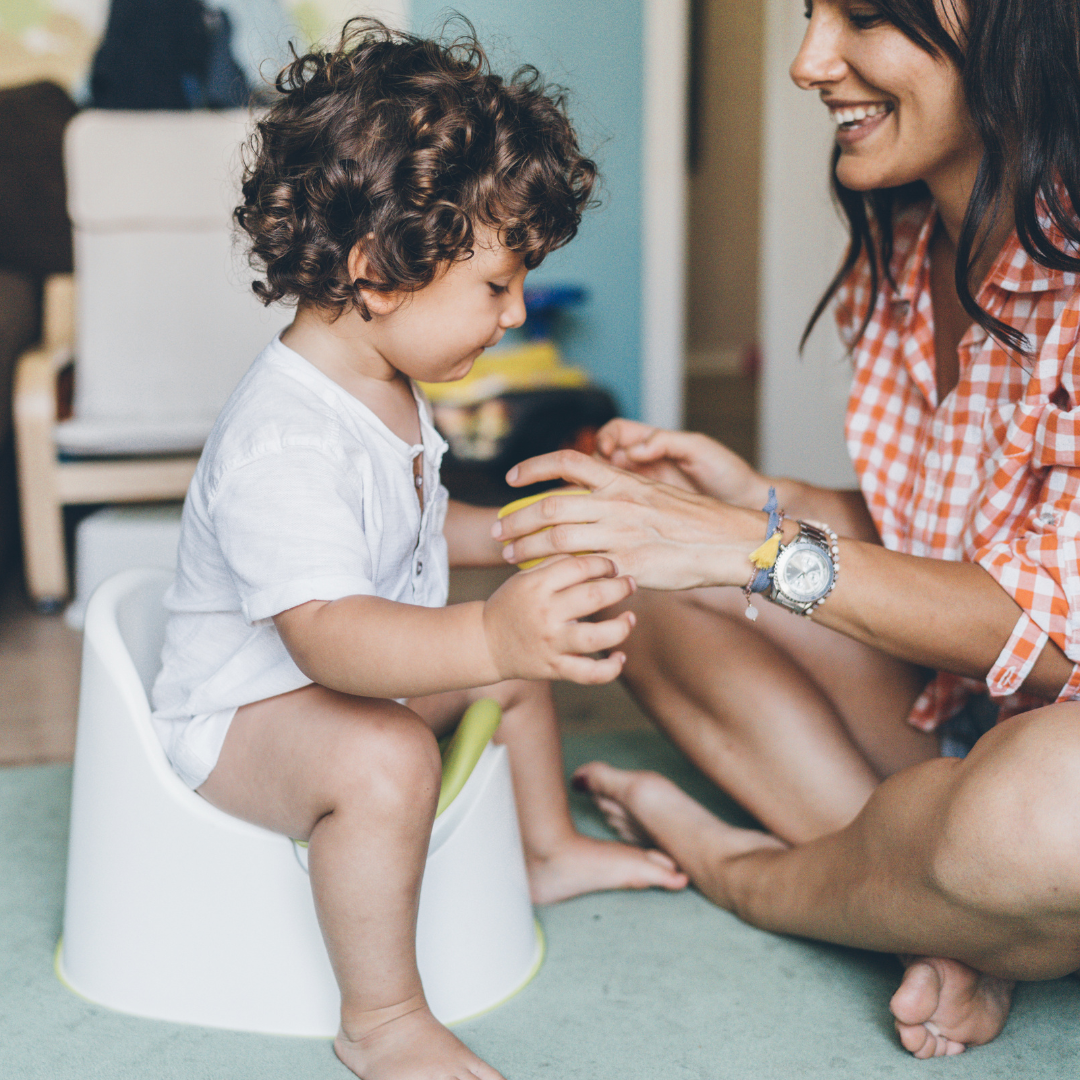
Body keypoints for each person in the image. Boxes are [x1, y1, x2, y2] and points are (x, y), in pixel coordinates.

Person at [493, 0, 1080, 1061]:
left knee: (1045, 816)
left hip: (1054, 747)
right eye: (810, 15)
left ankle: (745, 871)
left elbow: (1052, 629)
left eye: (862, 17)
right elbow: (957, 534)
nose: (811, 62)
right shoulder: (907, 245)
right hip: (965, 715)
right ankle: (942, 923)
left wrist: (750, 549)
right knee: (620, 583)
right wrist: (758, 502)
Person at [150, 22, 686, 1080]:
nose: (516, 312)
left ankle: (544, 851)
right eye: (496, 288)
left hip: (327, 681)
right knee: (390, 756)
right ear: (378, 272)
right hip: (241, 715)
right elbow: (334, 640)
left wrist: (513, 538)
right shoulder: (286, 437)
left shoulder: (383, 385)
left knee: (510, 682)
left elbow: (407, 527)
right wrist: (491, 629)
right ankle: (383, 1020)